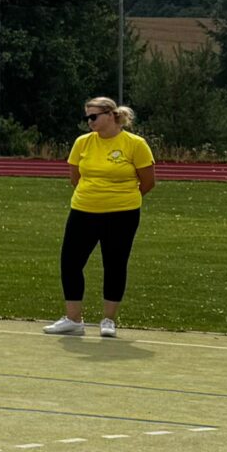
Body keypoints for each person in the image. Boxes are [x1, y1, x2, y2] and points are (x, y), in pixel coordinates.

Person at [45, 95, 156, 338]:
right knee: (70, 262)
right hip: (83, 211)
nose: (89, 121)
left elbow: (148, 181)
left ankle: (108, 320)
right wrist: (93, 196)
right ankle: (73, 319)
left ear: (110, 116)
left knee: (115, 263)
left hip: (122, 215)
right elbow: (75, 177)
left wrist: (122, 198)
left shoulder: (135, 144)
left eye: (94, 116)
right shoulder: (82, 143)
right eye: (87, 117)